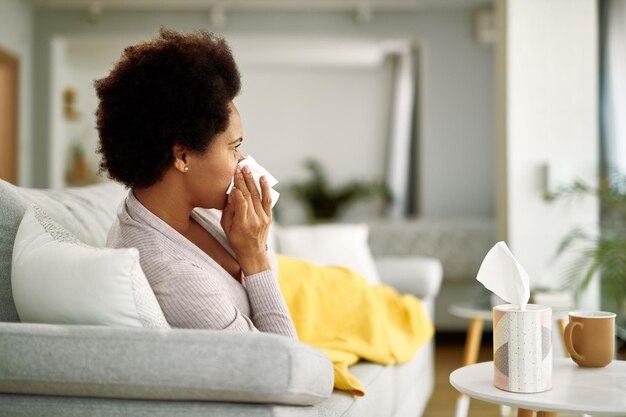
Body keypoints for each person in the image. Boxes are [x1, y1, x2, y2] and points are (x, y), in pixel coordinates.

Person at [96, 28, 297, 338]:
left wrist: (255, 244)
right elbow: (283, 367)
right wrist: (255, 258)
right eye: (234, 147)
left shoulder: (174, 209)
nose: (243, 160)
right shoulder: (172, 276)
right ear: (182, 155)